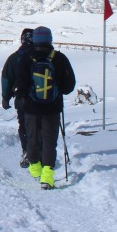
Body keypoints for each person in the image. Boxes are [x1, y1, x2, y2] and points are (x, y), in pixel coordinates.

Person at [14, 26, 76, 190]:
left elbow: (20, 82)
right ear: (50, 39)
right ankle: (47, 176)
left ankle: (35, 169)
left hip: (31, 108)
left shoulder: (27, 58)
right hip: (52, 108)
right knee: (49, 140)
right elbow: (69, 85)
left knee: (33, 137)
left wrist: (22, 98)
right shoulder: (59, 58)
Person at [1, 28, 34, 168]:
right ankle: (42, 152)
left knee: (24, 126)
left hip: (22, 98)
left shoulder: (14, 58)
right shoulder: (44, 56)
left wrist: (5, 97)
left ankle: (27, 151)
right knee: (41, 126)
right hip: (44, 99)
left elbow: (6, 78)